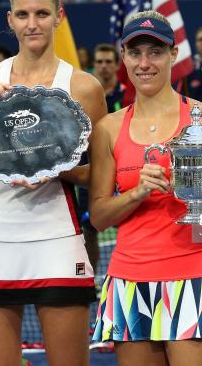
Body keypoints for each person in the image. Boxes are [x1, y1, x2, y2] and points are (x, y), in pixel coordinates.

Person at [0, 0, 107, 366]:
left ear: (59, 16)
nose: (31, 23)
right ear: (10, 19)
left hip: (57, 239)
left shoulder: (84, 87)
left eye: (41, 13)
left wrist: (53, 168)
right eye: (22, 14)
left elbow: (103, 176)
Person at [89, 10, 202, 365]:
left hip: (193, 276)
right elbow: (100, 217)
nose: (145, 63)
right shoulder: (108, 128)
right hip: (129, 281)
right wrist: (136, 193)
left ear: (174, 55)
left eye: (156, 52)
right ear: (124, 56)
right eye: (135, 53)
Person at [77, 44, 124, 272]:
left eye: (108, 62)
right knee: (88, 228)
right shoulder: (86, 98)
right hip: (92, 170)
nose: (104, 67)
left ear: (116, 65)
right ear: (93, 66)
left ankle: (128, 271)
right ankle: (91, 278)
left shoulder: (129, 95)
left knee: (128, 222)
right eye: (99, 62)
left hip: (124, 169)